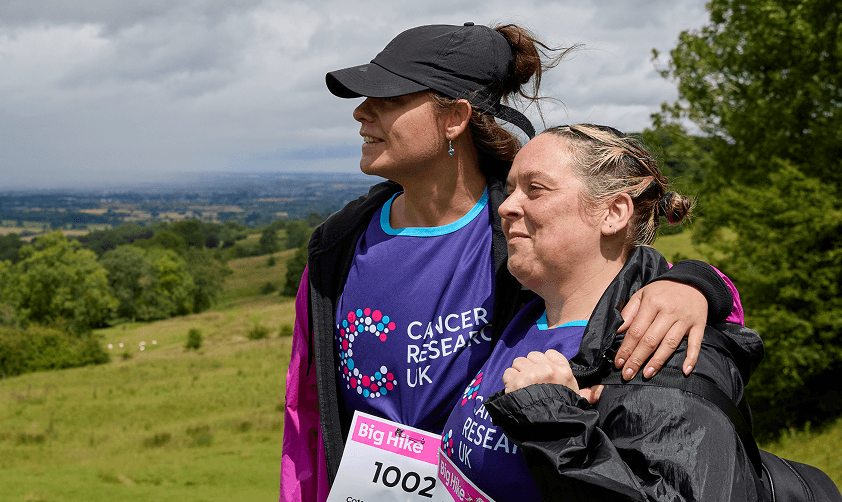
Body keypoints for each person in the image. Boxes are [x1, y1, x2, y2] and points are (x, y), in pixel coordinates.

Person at [280, 24, 745, 502]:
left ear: (454, 118)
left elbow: (627, 285)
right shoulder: (337, 246)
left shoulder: (526, 241)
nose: (360, 112)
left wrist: (696, 284)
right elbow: (307, 410)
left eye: (389, 97)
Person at [436, 124, 761, 501]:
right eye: (509, 191)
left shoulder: (657, 350)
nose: (506, 206)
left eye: (535, 189)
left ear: (613, 212)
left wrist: (554, 419)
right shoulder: (519, 313)